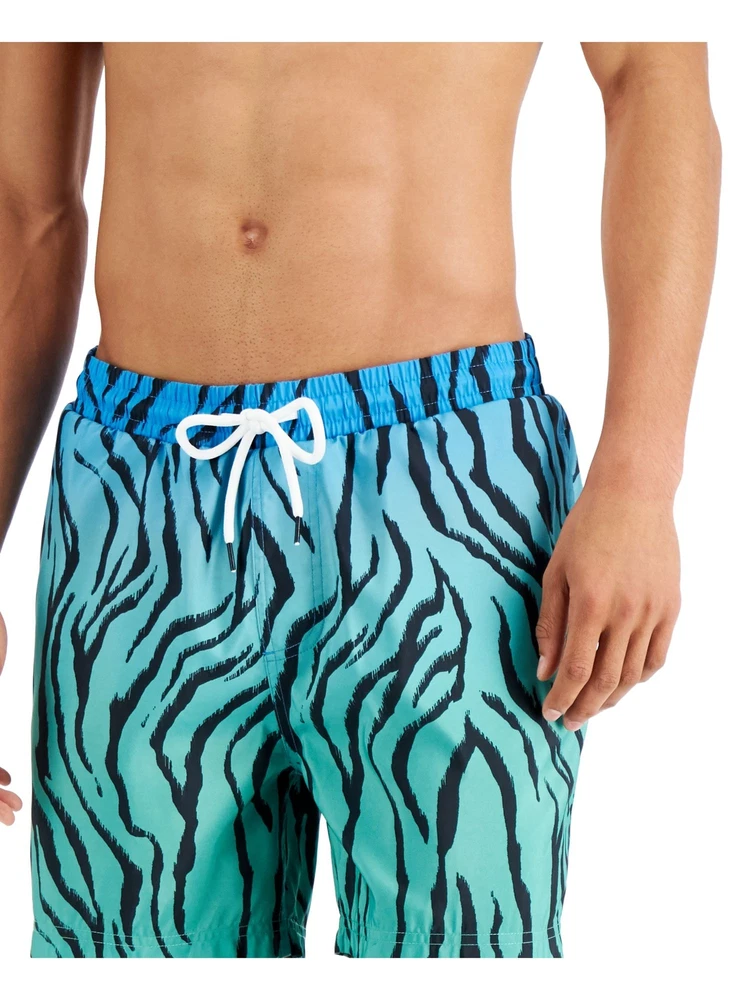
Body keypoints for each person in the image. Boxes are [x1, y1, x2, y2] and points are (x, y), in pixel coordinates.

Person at [0, 42, 720, 958]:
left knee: (464, 954)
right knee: (119, 953)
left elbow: (650, 74)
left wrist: (641, 476)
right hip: (137, 510)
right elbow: (25, 209)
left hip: (445, 496)